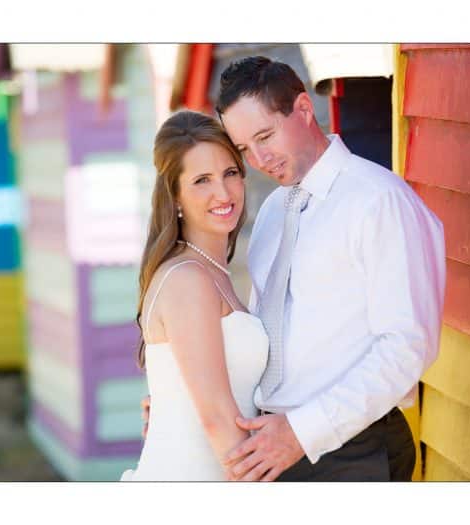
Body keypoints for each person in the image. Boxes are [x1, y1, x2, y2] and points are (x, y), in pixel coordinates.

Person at [144, 56, 446, 482]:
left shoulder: (378, 202)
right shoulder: (271, 212)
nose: (260, 159)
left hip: (349, 450)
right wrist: (182, 397)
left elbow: (407, 347)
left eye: (265, 135)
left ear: (304, 109)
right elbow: (264, 343)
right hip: (271, 444)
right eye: (245, 149)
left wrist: (302, 433)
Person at [120, 110, 268, 481]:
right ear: (176, 195)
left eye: (230, 173)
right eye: (202, 180)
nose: (223, 192)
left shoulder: (213, 273)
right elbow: (217, 417)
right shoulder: (188, 278)